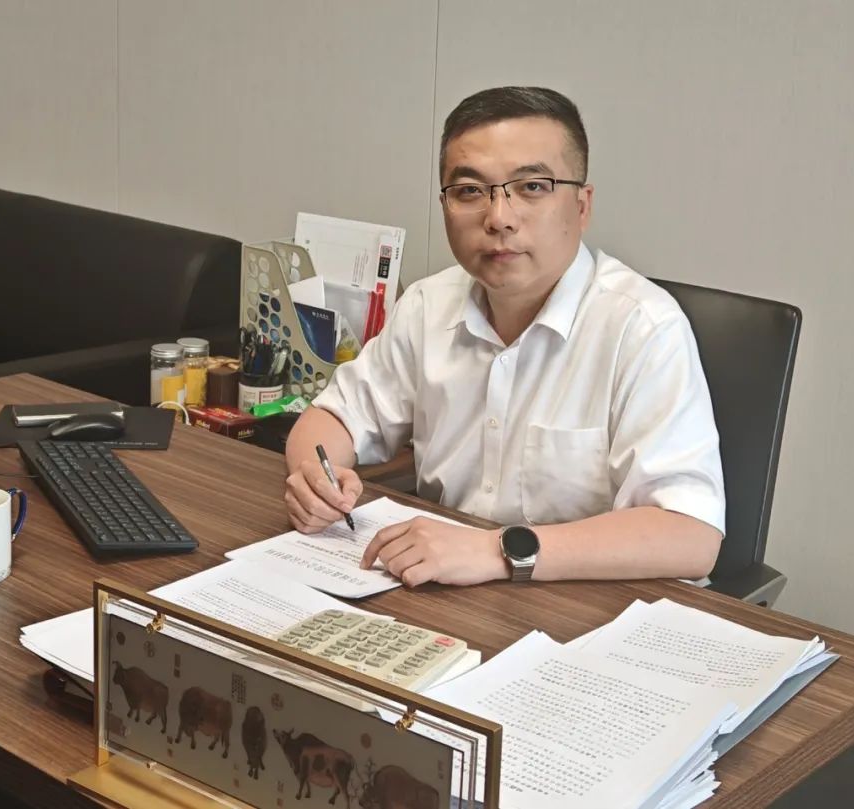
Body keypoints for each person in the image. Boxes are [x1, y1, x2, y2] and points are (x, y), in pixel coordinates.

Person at [283, 86, 724, 588]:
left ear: (582, 206)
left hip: (589, 607)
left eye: (532, 187)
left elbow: (691, 535)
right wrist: (314, 479)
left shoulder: (643, 328)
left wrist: (497, 551)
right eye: (471, 191)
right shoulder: (429, 306)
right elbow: (333, 418)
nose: (499, 218)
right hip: (448, 594)